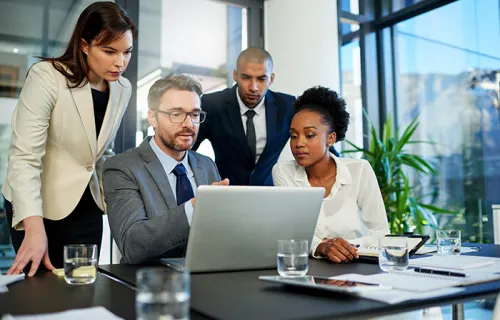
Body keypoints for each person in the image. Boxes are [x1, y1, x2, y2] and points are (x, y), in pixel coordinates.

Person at [2, 2, 136, 276]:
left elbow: (100, 150)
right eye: (109, 51)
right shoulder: (47, 77)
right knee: (39, 294)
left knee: (82, 288)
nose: (120, 62)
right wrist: (34, 226)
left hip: (86, 204)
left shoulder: (123, 88)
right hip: (37, 203)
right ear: (85, 45)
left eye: (127, 52)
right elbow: (24, 157)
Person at [103, 74, 228, 264]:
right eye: (176, 114)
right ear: (153, 118)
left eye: (194, 114)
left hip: (206, 281)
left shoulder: (207, 164)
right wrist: (193, 209)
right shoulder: (122, 168)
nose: (188, 124)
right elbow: (132, 245)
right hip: (149, 285)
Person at [272, 86, 390, 264]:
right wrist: (320, 247)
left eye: (309, 135)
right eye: (293, 136)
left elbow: (381, 235)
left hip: (359, 268)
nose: (299, 143)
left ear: (331, 139)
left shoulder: (359, 171)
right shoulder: (283, 172)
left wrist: (345, 246)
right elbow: (291, 233)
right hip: (309, 270)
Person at [192, 47, 295, 186]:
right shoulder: (212, 104)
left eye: (261, 79)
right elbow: (187, 150)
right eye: (246, 77)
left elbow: (318, 145)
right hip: (225, 195)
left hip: (268, 196)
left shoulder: (287, 106)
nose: (253, 87)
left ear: (271, 79)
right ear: (235, 75)